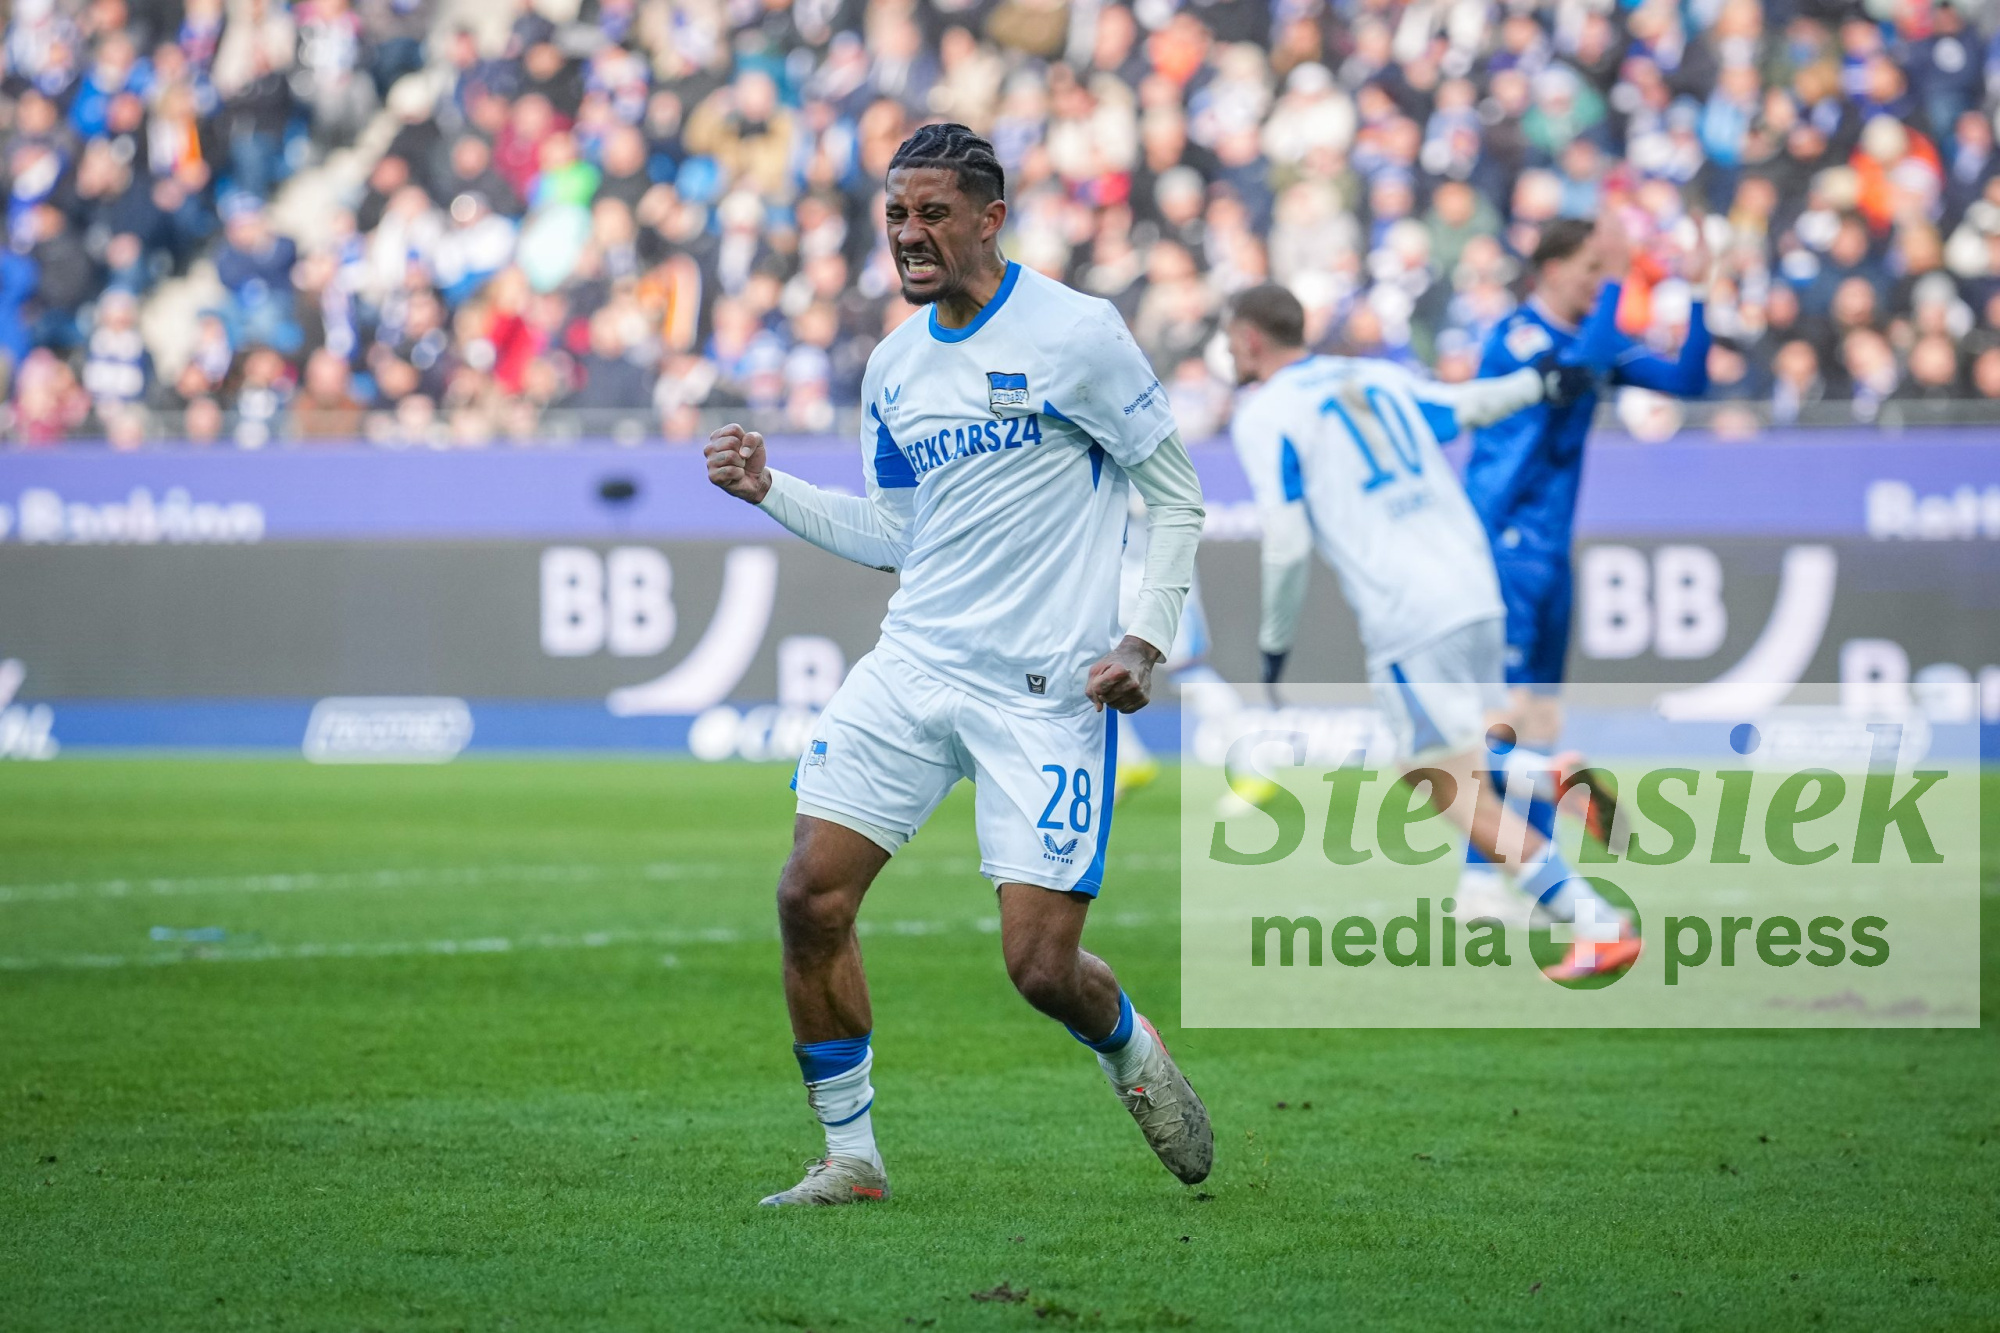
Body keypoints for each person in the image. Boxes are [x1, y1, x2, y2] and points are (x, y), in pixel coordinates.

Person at [704, 123, 1212, 1207]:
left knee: (1040, 970)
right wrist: (770, 491)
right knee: (808, 896)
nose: (908, 233)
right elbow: (897, 533)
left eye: (932, 212)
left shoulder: (1077, 333)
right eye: (895, 213)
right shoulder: (894, 367)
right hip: (913, 664)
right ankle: (851, 1157)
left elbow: (1173, 494)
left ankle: (1128, 1046)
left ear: (990, 218)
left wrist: (1144, 637)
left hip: (1043, 693)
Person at [1225, 282, 1634, 981]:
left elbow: (1287, 543)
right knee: (1442, 761)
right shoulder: (1373, 375)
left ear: (1250, 339)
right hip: (1474, 583)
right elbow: (1467, 405)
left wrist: (1274, 641)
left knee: (1441, 781)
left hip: (1409, 609)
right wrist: (1539, 383)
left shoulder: (1265, 414)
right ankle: (1549, 780)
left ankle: (1594, 917)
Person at [1458, 213, 1709, 901]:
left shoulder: (1592, 337)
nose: (1602, 281)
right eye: (1592, 268)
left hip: (1550, 548)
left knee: (1542, 718)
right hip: (1501, 539)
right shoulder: (1521, 336)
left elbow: (1687, 381)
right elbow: (1575, 373)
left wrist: (1697, 294)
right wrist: (1624, 278)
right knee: (1502, 717)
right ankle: (1481, 880)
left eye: (1606, 269)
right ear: (1554, 268)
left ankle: (1530, 882)